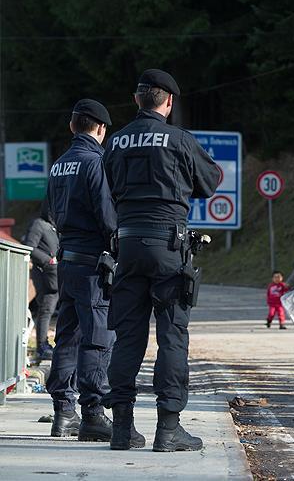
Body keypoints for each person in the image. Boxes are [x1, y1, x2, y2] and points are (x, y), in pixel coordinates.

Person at [101, 69, 220, 452]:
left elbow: (106, 189)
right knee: (171, 337)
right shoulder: (180, 140)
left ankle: (122, 430)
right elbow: (211, 180)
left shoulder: (116, 142)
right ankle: (168, 430)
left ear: (137, 100)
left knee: (127, 338)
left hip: (127, 247)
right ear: (168, 102)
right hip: (169, 247)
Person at [44, 99, 119, 442]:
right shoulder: (95, 163)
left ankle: (63, 414)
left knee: (67, 336)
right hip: (92, 260)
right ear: (100, 128)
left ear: (72, 126)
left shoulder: (59, 164)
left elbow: (50, 211)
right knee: (97, 336)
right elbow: (107, 216)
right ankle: (93, 413)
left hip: (66, 259)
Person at [23, 201, 60, 360]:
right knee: (45, 310)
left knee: (50, 310)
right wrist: (48, 260)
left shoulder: (54, 227)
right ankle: (41, 346)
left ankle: (47, 344)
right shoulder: (39, 224)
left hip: (56, 276)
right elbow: (29, 247)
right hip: (44, 274)